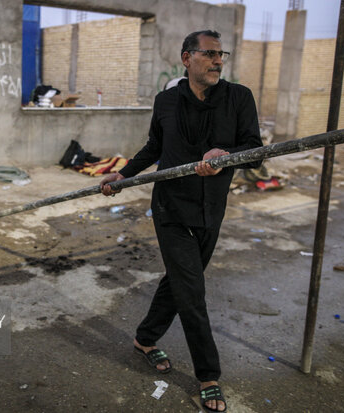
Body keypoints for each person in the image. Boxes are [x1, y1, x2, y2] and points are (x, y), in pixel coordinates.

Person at [100, 30, 262, 412]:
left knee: (179, 281)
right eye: (209, 54)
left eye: (221, 54)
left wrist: (228, 155)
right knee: (191, 292)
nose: (218, 61)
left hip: (211, 209)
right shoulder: (166, 101)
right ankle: (209, 376)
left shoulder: (239, 98)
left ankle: (145, 339)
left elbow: (255, 152)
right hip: (171, 208)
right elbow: (155, 147)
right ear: (187, 58)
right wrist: (124, 175)